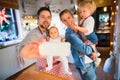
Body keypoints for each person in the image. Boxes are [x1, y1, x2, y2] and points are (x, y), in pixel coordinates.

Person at [19, 7, 74, 79]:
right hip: (45, 68)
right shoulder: (33, 34)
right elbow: (22, 50)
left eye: (48, 17)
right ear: (38, 18)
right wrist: (38, 51)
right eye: (43, 17)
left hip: (59, 65)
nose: (46, 20)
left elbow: (59, 38)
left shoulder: (49, 30)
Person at [59, 9, 98, 80]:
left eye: (69, 18)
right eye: (64, 20)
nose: (68, 21)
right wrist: (93, 49)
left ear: (73, 17)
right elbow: (85, 50)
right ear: (62, 22)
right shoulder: (70, 35)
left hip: (90, 59)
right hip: (85, 63)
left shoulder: (79, 26)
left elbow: (88, 36)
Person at [77, 0, 101, 67]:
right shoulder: (82, 20)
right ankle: (94, 55)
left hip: (90, 37)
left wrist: (77, 27)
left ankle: (96, 58)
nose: (82, 13)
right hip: (85, 37)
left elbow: (86, 30)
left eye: (84, 11)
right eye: (80, 12)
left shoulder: (90, 19)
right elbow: (80, 29)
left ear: (90, 11)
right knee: (87, 47)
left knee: (91, 48)